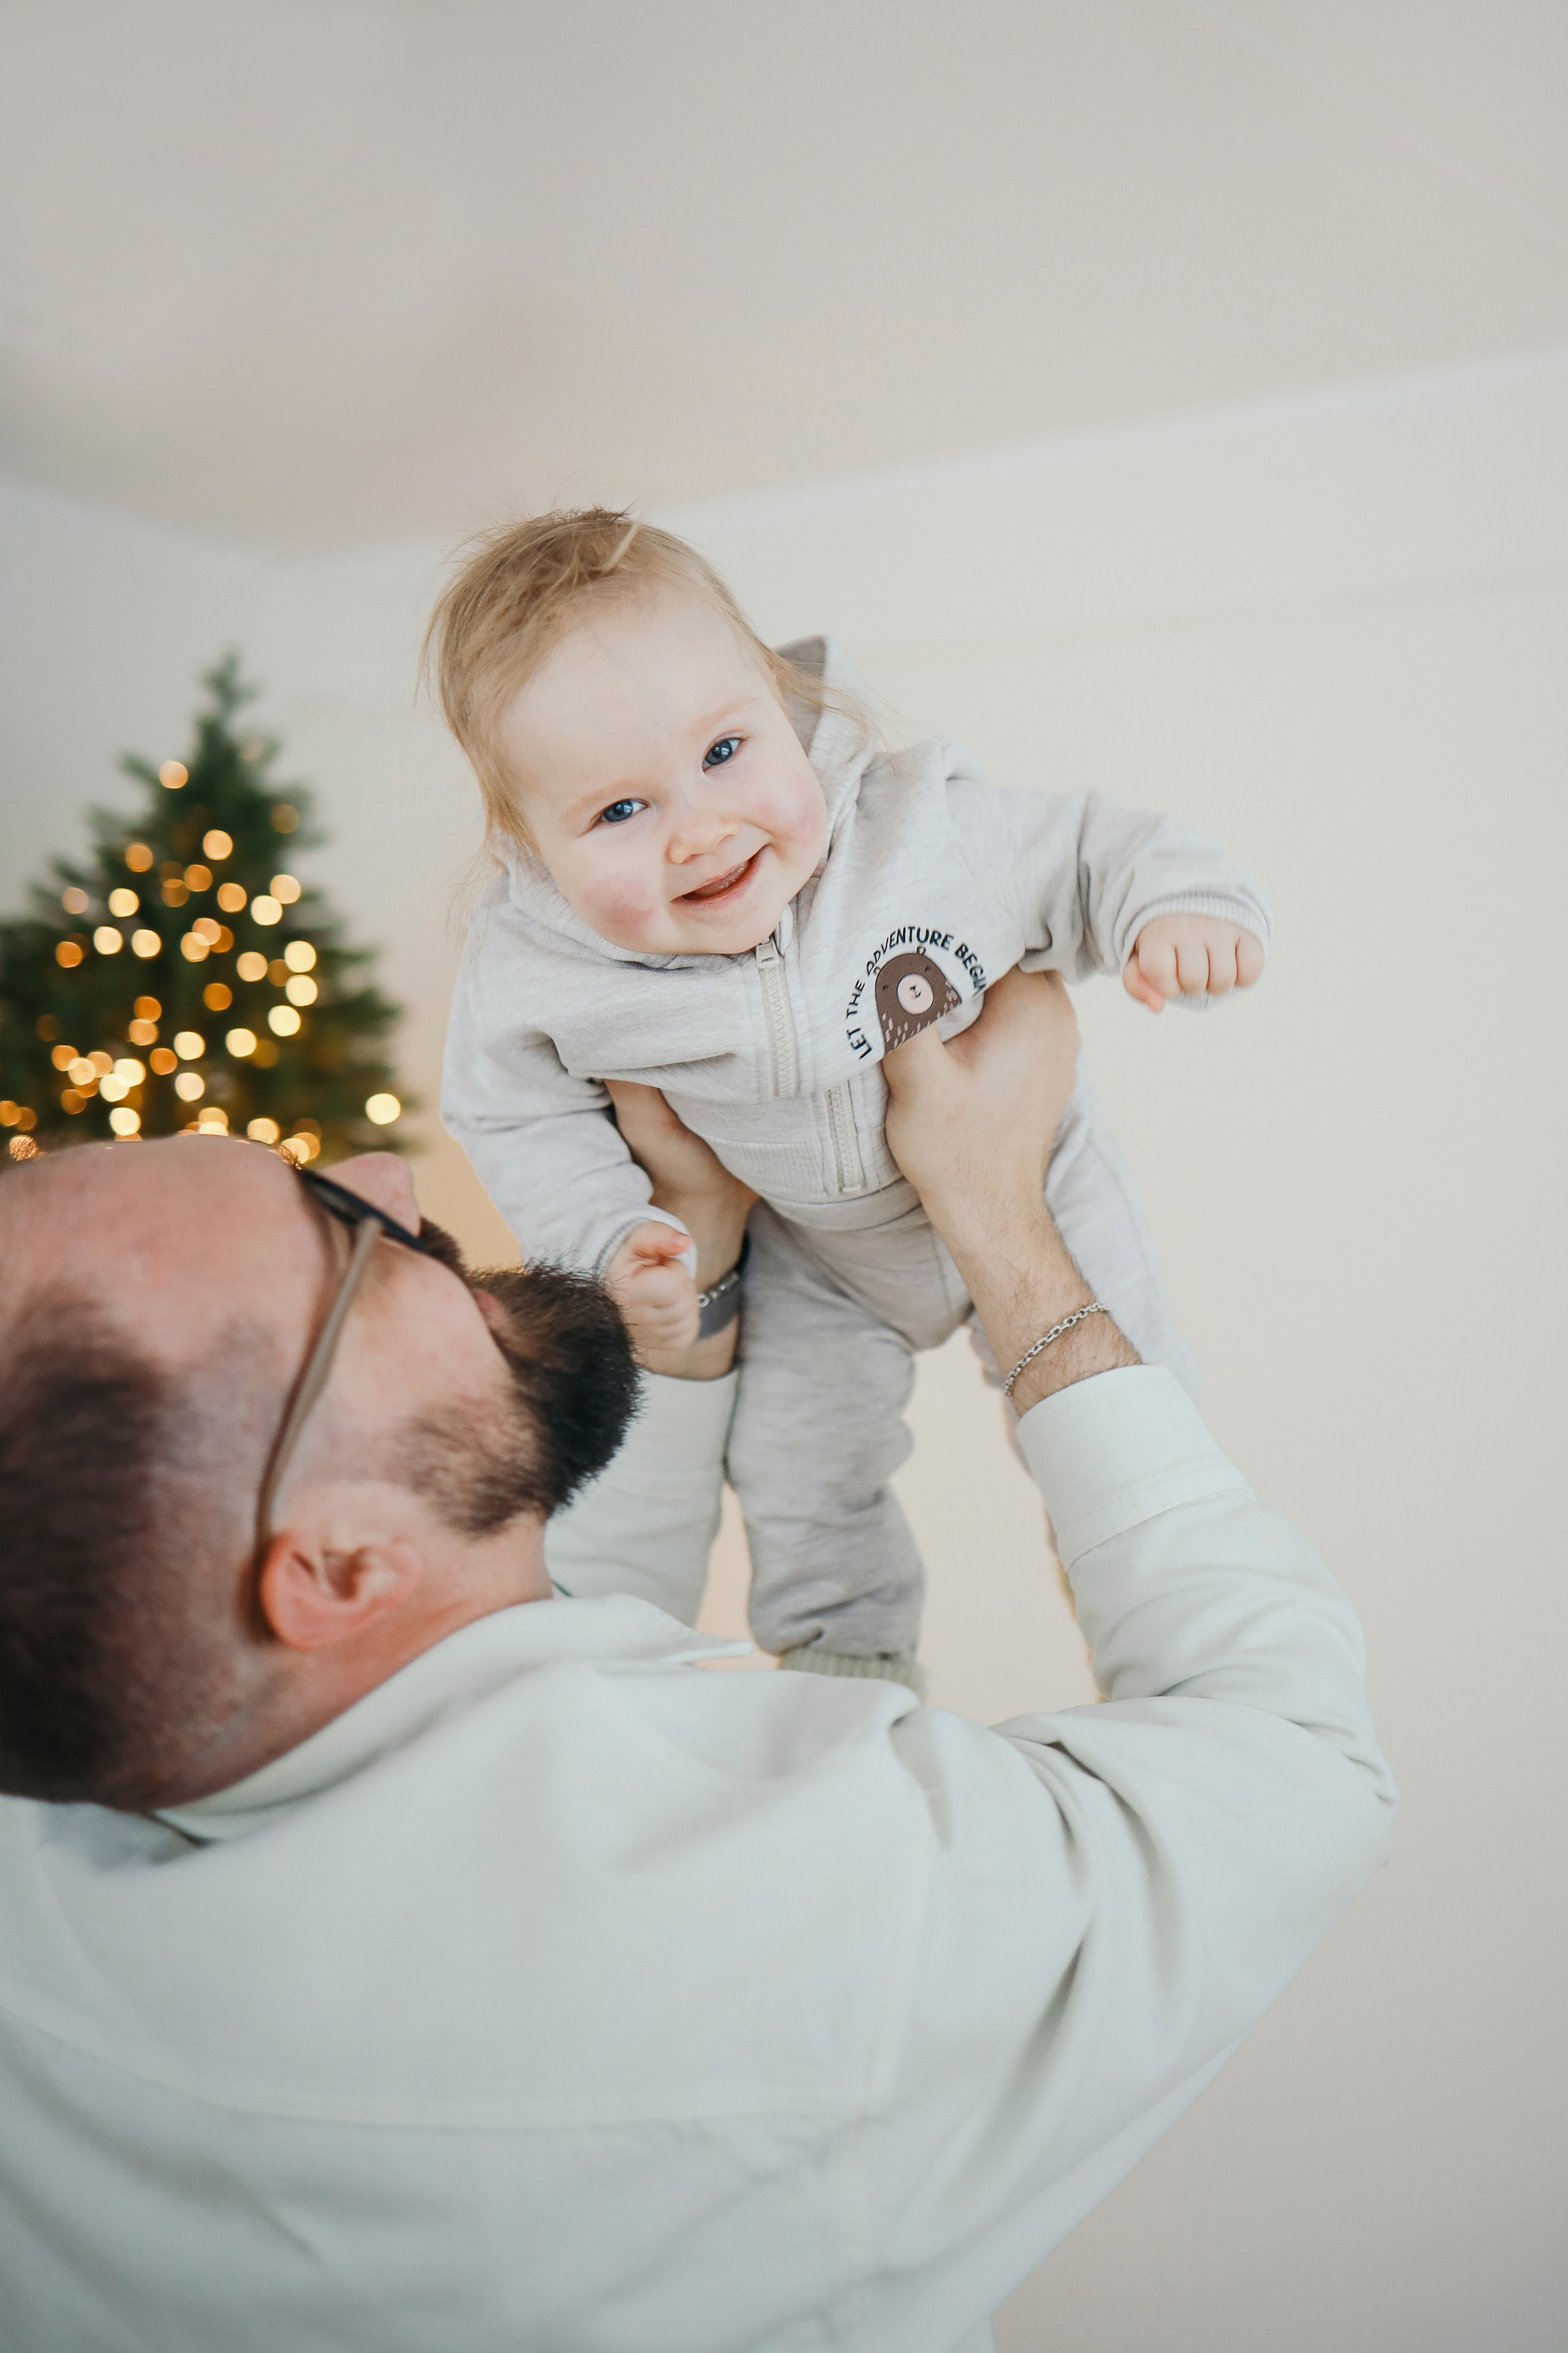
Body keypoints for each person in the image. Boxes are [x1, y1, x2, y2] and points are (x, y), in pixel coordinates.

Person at [0, 972, 1392, 2353]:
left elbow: (493, 1669)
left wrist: (698, 1272)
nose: (385, 1170)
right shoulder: (813, 1926)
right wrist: (999, 1219)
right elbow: (1288, 1759)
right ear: (335, 1567)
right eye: (344, 1232)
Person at [432, 508, 1272, 1690]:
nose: (701, 829)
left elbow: (1091, 846)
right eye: (622, 812)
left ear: (784, 707)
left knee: (1127, 1412)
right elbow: (512, 1114)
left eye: (725, 752)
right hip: (811, 1254)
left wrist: (1177, 909)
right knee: (799, 1478)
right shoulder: (542, 968)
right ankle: (849, 1674)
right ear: (528, 848)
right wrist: (617, 1237)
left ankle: (1164, 1636)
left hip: (1037, 1173)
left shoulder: (919, 830)